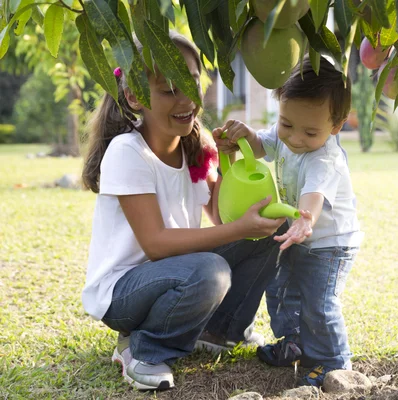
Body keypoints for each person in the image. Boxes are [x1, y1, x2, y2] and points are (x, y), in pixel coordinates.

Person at [80, 30, 285, 391]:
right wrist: (237, 230)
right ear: (134, 96)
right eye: (168, 90)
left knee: (265, 233)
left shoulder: (197, 146)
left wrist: (228, 160)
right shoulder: (128, 152)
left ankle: (220, 331)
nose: (186, 98)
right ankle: (144, 349)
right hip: (124, 292)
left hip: (181, 273)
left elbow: (222, 219)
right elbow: (156, 245)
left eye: (191, 82)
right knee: (211, 268)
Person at [213, 56, 363, 387]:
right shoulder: (287, 134)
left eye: (310, 131)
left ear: (336, 126)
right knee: (280, 289)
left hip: (328, 243)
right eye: (286, 124)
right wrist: (241, 135)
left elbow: (313, 195)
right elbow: (261, 144)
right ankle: (293, 340)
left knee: (318, 303)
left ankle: (333, 362)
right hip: (296, 234)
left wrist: (304, 220)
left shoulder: (325, 158)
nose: (294, 138)